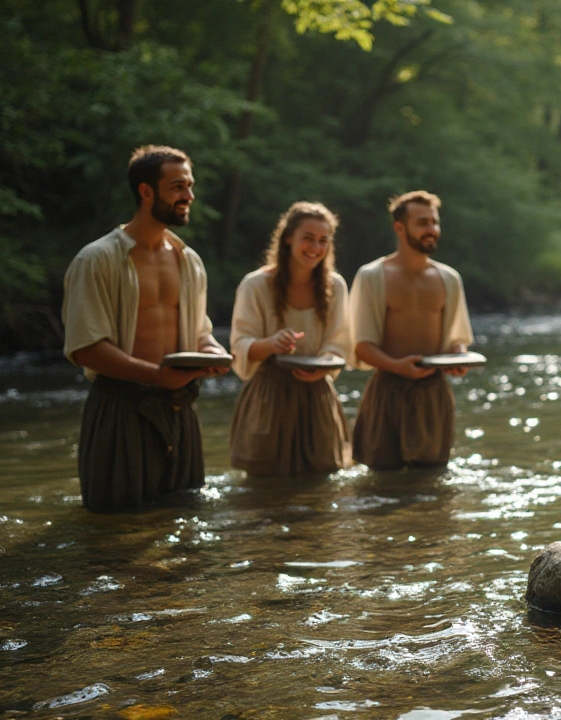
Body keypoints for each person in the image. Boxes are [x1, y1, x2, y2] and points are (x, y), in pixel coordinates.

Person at [62, 145, 228, 513]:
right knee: (115, 528)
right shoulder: (97, 259)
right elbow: (85, 347)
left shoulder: (190, 260)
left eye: (190, 186)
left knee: (184, 523)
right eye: (178, 187)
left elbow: (200, 330)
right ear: (145, 191)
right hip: (120, 408)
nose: (189, 196)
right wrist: (157, 375)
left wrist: (212, 349)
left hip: (180, 408)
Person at [349, 190, 473, 470]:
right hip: (387, 393)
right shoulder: (372, 276)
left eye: (434, 222)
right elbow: (361, 345)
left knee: (431, 484)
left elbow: (457, 340)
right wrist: (397, 367)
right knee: (379, 486)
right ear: (399, 227)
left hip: (434, 394)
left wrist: (459, 359)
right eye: (422, 223)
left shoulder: (449, 278)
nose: (431, 229)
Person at [228, 201, 352, 476]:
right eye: (307, 238)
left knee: (321, 485)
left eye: (323, 240)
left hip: (316, 394)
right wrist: (271, 343)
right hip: (269, 396)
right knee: (263, 489)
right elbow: (240, 346)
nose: (315, 248)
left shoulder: (336, 286)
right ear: (287, 238)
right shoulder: (255, 284)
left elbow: (340, 344)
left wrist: (322, 364)